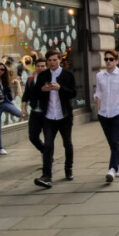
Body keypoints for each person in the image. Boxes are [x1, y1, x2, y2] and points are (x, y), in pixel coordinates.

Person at [33, 50, 76, 188]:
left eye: (54, 60)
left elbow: (73, 93)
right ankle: (47, 176)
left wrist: (60, 88)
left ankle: (68, 168)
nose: (52, 63)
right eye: (49, 60)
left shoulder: (68, 74)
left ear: (60, 60)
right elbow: (35, 94)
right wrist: (42, 90)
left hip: (64, 116)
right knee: (48, 146)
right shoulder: (43, 75)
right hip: (49, 117)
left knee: (67, 143)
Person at [94, 49, 119, 183]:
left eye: (111, 59)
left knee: (115, 141)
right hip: (103, 114)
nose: (108, 62)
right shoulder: (100, 75)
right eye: (106, 59)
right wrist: (98, 109)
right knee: (112, 143)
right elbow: (98, 93)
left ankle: (112, 169)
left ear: (117, 61)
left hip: (118, 113)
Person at [20, 57, 48, 154]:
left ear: (46, 67)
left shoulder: (50, 79)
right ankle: (45, 151)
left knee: (48, 138)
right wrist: (23, 109)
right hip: (35, 113)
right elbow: (25, 96)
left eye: (43, 66)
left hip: (47, 113)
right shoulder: (30, 80)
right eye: (38, 66)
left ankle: (47, 159)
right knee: (33, 137)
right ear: (35, 67)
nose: (40, 68)